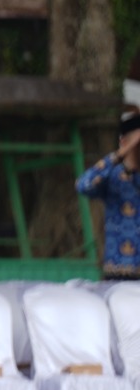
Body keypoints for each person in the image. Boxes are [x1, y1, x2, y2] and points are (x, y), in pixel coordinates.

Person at [77, 113, 140, 280]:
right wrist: (119, 155)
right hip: (116, 270)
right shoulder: (111, 175)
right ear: (124, 142)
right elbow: (83, 185)